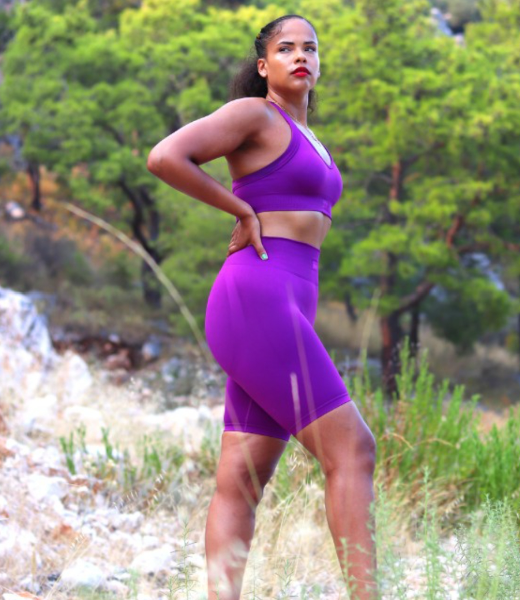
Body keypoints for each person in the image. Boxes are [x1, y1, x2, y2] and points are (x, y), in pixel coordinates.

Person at [147, 14, 377, 599]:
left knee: (243, 476)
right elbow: (166, 156)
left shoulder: (311, 137)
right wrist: (240, 209)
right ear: (263, 65)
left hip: (288, 304)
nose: (300, 56)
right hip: (257, 297)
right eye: (285, 48)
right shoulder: (255, 114)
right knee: (353, 449)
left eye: (310, 48)